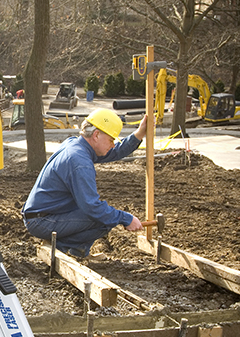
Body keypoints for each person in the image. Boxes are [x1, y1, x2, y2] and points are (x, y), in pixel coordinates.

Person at [22, 108, 151, 258]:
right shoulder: (80, 162)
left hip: (43, 215)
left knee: (104, 215)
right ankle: (62, 247)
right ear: (96, 135)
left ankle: (78, 251)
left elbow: (113, 152)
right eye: (111, 140)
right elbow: (92, 207)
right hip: (43, 221)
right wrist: (126, 218)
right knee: (104, 220)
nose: (113, 145)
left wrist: (139, 134)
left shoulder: (75, 145)